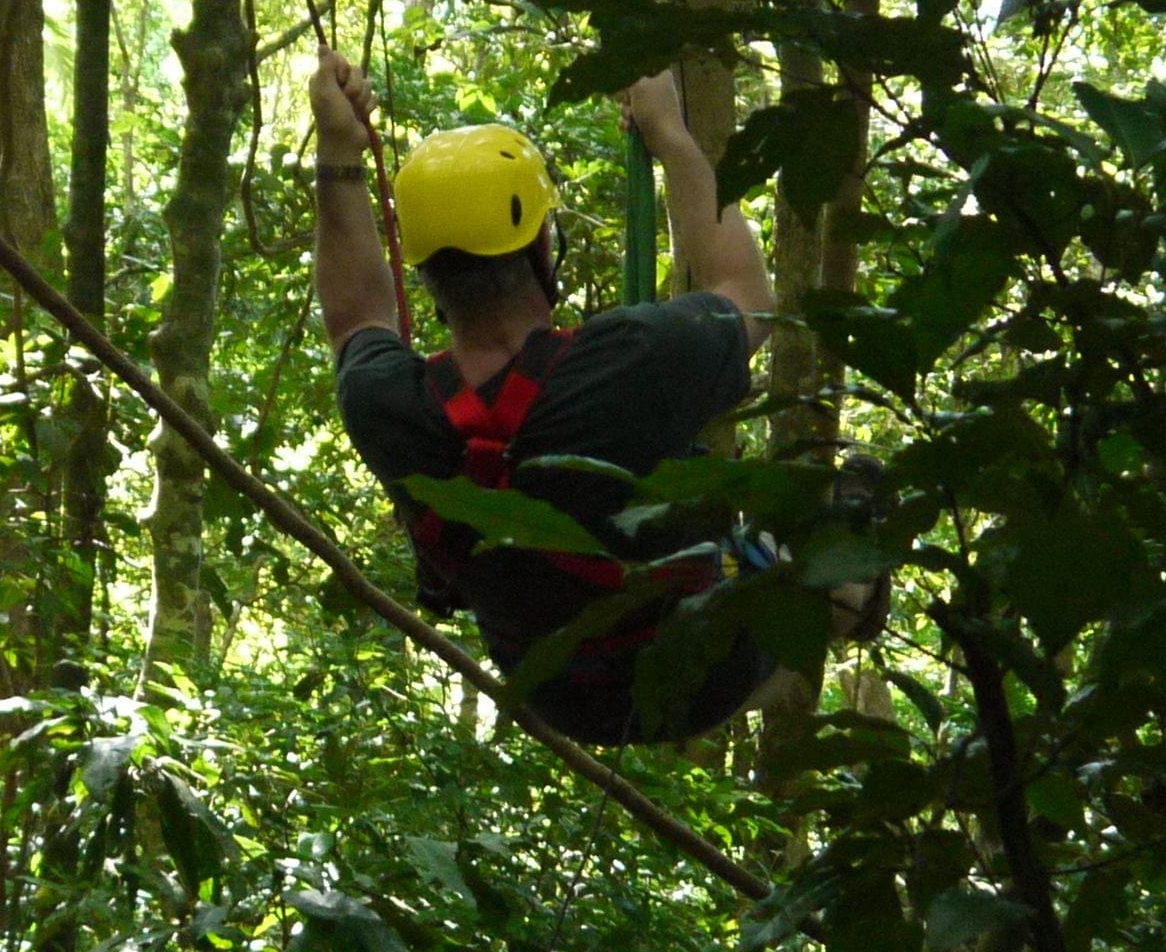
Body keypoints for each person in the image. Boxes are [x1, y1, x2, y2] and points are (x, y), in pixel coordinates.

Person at [308, 51, 868, 746]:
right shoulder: (627, 363)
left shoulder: (389, 406)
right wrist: (671, 136)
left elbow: (356, 313)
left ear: (424, 271)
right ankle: (842, 591)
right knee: (832, 506)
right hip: (697, 676)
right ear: (543, 243)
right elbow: (748, 294)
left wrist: (338, 151)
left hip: (553, 693)